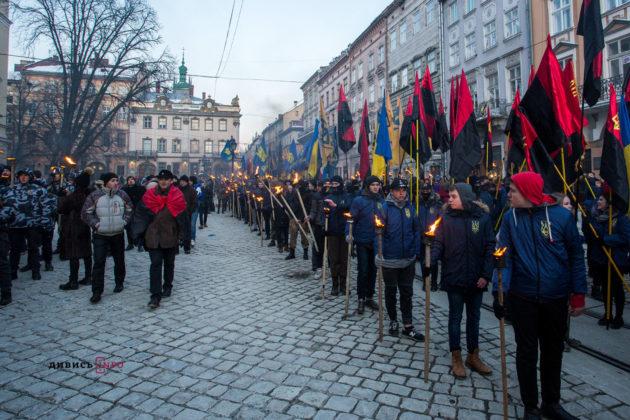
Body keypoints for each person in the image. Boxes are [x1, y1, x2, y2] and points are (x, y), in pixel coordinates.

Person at [493, 172, 586, 420]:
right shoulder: (510, 218)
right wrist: (499, 291)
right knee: (526, 352)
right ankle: (530, 405)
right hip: (523, 297)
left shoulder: (561, 217)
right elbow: (504, 257)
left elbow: (576, 256)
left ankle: (551, 403)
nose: (508, 194)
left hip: (555, 297)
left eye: (512, 190)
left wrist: (578, 294)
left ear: (527, 193)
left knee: (552, 351)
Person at [431, 183, 495, 379]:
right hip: (455, 277)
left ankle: (473, 356)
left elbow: (490, 246)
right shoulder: (446, 219)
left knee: (474, 318)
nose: (449, 199)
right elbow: (438, 244)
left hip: (477, 279)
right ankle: (456, 356)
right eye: (449, 196)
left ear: (465, 198)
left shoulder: (482, 219)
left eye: (453, 196)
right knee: (455, 318)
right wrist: (429, 259)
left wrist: (486, 275)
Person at [375, 178, 423, 341]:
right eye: (398, 189)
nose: (402, 192)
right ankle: (393, 320)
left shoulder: (410, 207)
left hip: (407, 258)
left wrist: (416, 250)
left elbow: (416, 230)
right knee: (390, 291)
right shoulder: (384, 207)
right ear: (392, 191)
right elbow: (378, 233)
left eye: (404, 189)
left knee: (407, 292)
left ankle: (408, 325)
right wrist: (379, 253)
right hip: (390, 258)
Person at [133, 170, 187, 309]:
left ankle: (168, 285)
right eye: (161, 179)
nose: (163, 181)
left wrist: (182, 236)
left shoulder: (177, 195)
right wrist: (138, 234)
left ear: (171, 181)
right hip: (153, 236)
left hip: (170, 234)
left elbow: (182, 217)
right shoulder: (149, 195)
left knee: (169, 263)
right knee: (156, 264)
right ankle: (155, 295)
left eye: (166, 179)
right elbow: (140, 215)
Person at [81, 172, 133, 304]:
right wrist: (96, 224)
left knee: (119, 260)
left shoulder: (122, 195)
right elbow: (86, 213)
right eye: (112, 180)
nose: (116, 182)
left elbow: (130, 209)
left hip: (117, 233)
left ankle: (119, 282)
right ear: (105, 183)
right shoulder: (95, 195)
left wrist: (124, 222)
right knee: (99, 262)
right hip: (101, 235)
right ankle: (97, 291)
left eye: (116, 180)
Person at [583, 193, 628, 329]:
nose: (598, 202)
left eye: (601, 199)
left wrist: (606, 240)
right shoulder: (596, 217)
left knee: (616, 289)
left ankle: (618, 316)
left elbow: (626, 238)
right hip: (601, 259)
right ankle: (607, 314)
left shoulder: (620, 219)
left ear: (609, 203)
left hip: (615, 259)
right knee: (605, 288)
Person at [3, 169, 49, 280]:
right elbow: (7, 206)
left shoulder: (38, 190)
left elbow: (45, 205)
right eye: (21, 176)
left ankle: (35, 271)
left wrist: (43, 221)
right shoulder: (11, 190)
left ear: (30, 177)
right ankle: (13, 272)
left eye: (26, 176)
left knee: (33, 249)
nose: (23, 178)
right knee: (15, 250)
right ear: (18, 177)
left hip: (32, 224)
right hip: (16, 225)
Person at [347, 175, 382, 314]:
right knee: (363, 270)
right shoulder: (359, 200)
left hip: (376, 241)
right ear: (368, 186)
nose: (376, 187)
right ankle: (361, 298)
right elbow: (351, 219)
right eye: (373, 184)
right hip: (362, 240)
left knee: (373, 271)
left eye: (378, 184)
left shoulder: (381, 200)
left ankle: (369, 297)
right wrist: (348, 234)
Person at [58, 168, 93, 290]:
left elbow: (61, 209)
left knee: (74, 254)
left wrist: (63, 196)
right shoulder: (91, 194)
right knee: (87, 253)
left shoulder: (74, 196)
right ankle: (89, 277)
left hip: (74, 226)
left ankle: (73, 281)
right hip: (86, 226)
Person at [324, 175, 351, 296]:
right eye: (333, 184)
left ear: (340, 184)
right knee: (334, 259)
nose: (334, 186)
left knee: (344, 259)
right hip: (333, 232)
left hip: (344, 231)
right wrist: (324, 224)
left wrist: (337, 207)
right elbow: (323, 213)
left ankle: (343, 284)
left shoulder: (347, 196)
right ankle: (335, 284)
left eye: (336, 184)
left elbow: (349, 210)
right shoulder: (328, 196)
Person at [418, 183, 442, 291]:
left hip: (434, 236)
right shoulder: (418, 203)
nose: (425, 192)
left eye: (427, 190)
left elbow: (440, 219)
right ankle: (425, 281)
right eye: (423, 190)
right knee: (424, 261)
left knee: (433, 261)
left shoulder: (437, 204)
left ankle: (433, 282)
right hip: (421, 236)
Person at [284, 180, 309, 260]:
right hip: (294, 217)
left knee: (304, 235)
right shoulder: (291, 194)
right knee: (292, 235)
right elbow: (289, 204)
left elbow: (308, 206)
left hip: (303, 218)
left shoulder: (306, 194)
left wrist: (306, 216)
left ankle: (305, 253)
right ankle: (292, 253)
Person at [122, 176, 145, 251]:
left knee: (140, 227)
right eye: (129, 180)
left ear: (135, 180)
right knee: (129, 228)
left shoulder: (140, 188)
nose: (130, 181)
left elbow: (143, 199)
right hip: (128, 211)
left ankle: (140, 244)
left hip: (138, 211)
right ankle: (130, 243)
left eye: (132, 179)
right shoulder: (124, 189)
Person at [178, 175, 196, 252]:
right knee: (178, 229)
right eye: (180, 181)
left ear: (186, 182)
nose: (181, 183)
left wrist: (190, 211)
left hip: (187, 213)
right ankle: (177, 245)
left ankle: (187, 247)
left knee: (187, 230)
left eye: (183, 181)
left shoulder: (191, 190)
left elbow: (194, 202)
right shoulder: (177, 189)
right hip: (178, 213)